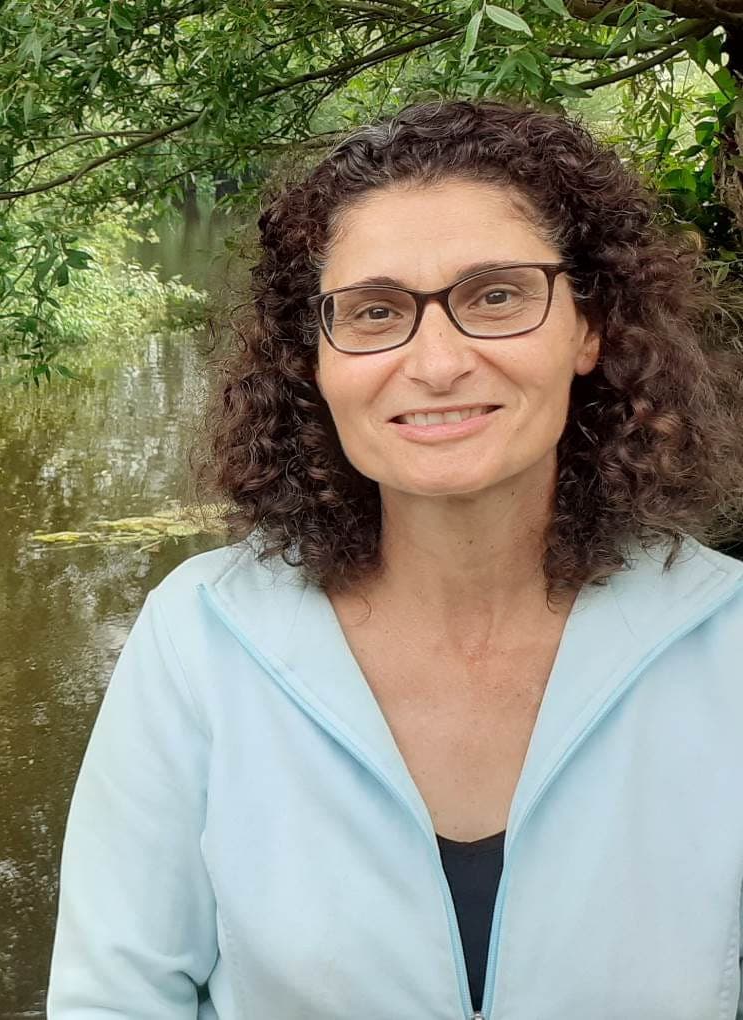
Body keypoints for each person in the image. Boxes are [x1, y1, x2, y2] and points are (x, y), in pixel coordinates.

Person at [48, 99, 743, 1019]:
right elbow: (116, 998)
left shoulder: (728, 646)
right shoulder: (200, 640)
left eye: (496, 296)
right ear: (314, 358)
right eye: (375, 312)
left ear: (590, 326)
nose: (437, 362)